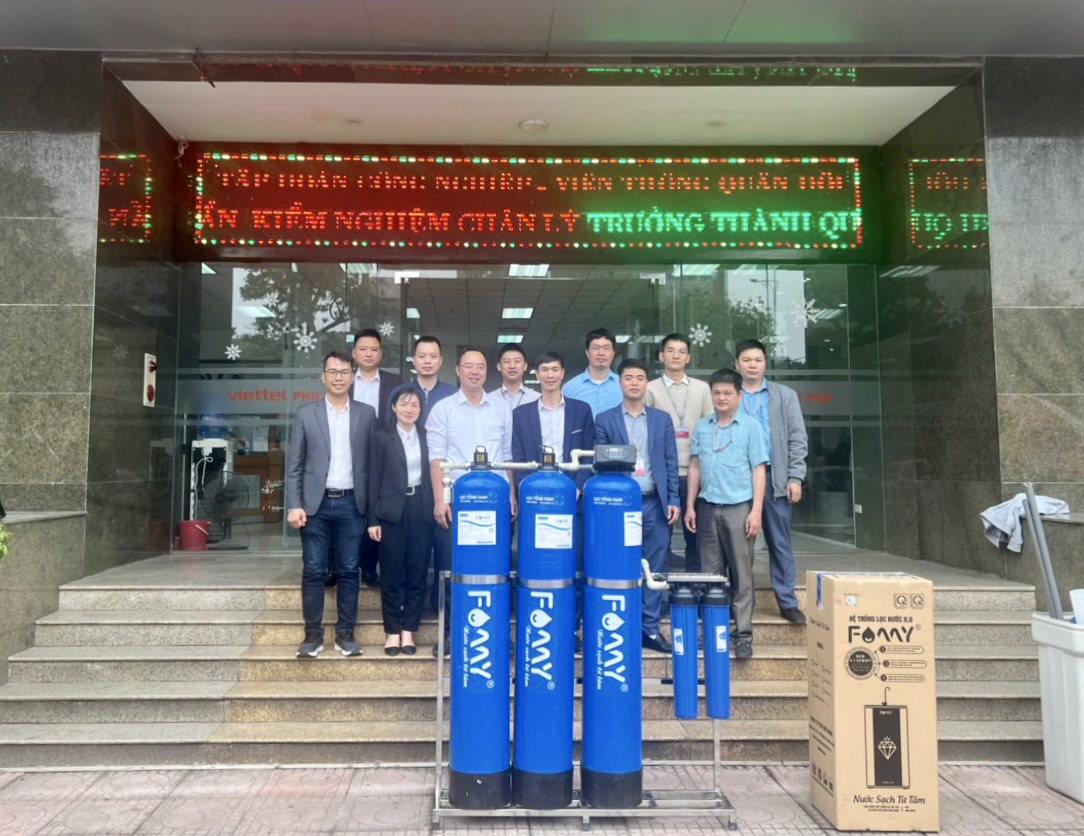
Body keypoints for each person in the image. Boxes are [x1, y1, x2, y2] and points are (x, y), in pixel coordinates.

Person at [285, 350, 376, 658]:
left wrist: (372, 510)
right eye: (333, 372)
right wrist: (294, 504)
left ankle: (345, 634)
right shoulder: (306, 414)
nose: (339, 377)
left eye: (345, 372)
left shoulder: (366, 414)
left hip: (352, 503)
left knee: (350, 570)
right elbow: (295, 465)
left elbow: (372, 465)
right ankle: (312, 636)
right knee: (313, 570)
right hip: (316, 505)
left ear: (353, 377)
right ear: (323, 377)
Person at [426, 346, 515, 656]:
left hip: (496, 501)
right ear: (458, 370)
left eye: (480, 367)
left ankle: (499, 632)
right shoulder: (443, 409)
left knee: (497, 567)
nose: (475, 372)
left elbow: (507, 455)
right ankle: (451, 632)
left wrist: (512, 494)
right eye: (469, 366)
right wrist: (440, 500)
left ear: (487, 371)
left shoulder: (501, 408)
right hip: (456, 501)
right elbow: (436, 459)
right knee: (453, 568)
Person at [594, 358, 680, 654]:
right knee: (619, 562)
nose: (634, 383)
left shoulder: (661, 419)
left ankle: (650, 628)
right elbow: (600, 466)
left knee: (654, 567)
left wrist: (674, 499)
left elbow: (670, 462)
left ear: (646, 383)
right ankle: (622, 623)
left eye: (640, 378)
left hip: (655, 502)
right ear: (620, 382)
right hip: (620, 506)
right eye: (628, 377)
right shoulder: (605, 420)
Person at [511, 350, 594, 652]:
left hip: (572, 499)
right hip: (536, 502)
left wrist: (578, 487)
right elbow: (518, 457)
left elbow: (589, 454)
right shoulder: (521, 414)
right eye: (544, 370)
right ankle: (535, 624)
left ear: (562, 373)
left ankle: (571, 628)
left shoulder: (581, 410)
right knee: (537, 563)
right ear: (537, 374)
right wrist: (529, 492)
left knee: (573, 564)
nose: (549, 375)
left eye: (555, 370)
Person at [684, 369, 768, 660]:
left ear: (739, 395)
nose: (721, 398)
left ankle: (743, 633)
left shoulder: (751, 427)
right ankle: (713, 630)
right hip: (707, 507)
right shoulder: (703, 427)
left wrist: (756, 511)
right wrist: (690, 505)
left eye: (727, 393)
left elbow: (759, 470)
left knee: (742, 575)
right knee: (711, 575)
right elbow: (695, 467)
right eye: (717, 393)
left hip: (739, 508)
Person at [734, 338, 809, 625]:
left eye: (758, 360)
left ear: (766, 363)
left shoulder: (784, 395)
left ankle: (787, 602)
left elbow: (797, 438)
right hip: (739, 482)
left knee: (779, 542)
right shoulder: (730, 394)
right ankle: (741, 602)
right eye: (747, 360)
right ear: (737, 364)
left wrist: (795, 477)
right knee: (740, 547)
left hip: (775, 478)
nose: (752, 365)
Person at [367, 386, 434, 657]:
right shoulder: (381, 438)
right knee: (391, 573)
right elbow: (372, 478)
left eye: (415, 405)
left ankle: (409, 630)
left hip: (421, 507)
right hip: (391, 510)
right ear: (393, 407)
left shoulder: (428, 436)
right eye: (404, 404)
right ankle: (393, 631)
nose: (409, 409)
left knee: (417, 571)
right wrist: (373, 518)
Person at [645, 333, 714, 573]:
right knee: (660, 537)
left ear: (688, 358)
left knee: (696, 535)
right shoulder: (650, 389)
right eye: (670, 351)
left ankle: (694, 586)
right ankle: (661, 586)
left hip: (696, 473)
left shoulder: (702, 389)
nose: (676, 356)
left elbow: (710, 430)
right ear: (661, 356)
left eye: (681, 351)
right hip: (663, 476)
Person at [562, 328, 622, 417]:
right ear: (587, 352)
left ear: (613, 353)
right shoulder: (570, 388)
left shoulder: (624, 385)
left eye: (606, 348)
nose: (601, 353)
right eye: (596, 348)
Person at [350, 328, 404, 421]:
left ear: (381, 354)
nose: (368, 354)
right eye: (363, 349)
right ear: (354, 353)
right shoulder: (345, 380)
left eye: (374, 349)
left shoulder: (395, 382)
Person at [408, 335, 457, 425]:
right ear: (414, 360)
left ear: (440, 361)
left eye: (433, 356)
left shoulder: (454, 394)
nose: (427, 361)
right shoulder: (401, 392)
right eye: (422, 356)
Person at [490, 342, 540, 410]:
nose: (512, 366)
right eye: (507, 361)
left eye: (517, 361)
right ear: (499, 366)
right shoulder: (490, 399)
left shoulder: (537, 399)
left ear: (525, 366)